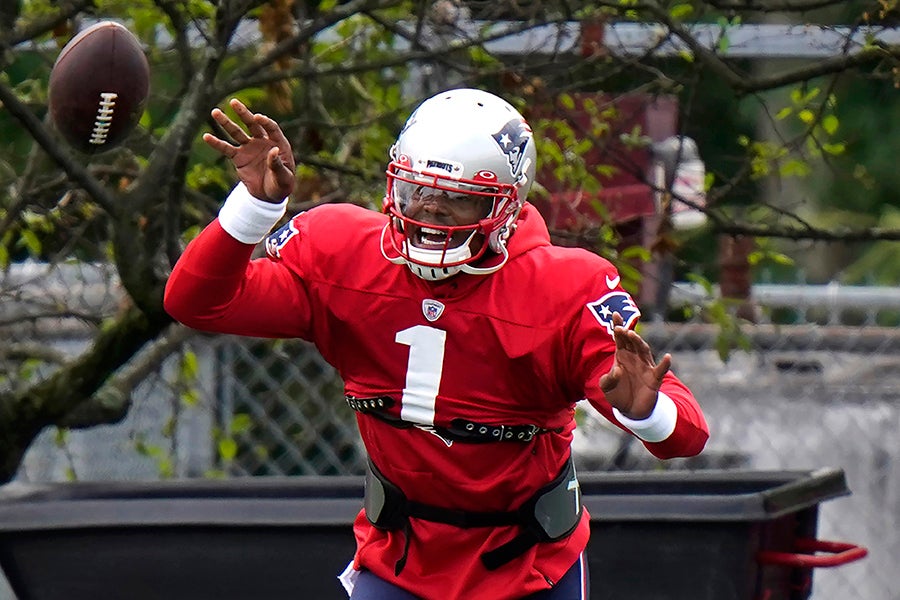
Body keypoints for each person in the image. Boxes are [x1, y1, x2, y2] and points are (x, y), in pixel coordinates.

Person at [164, 88, 709, 600]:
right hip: (398, 557)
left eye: (457, 198)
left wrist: (647, 412)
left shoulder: (563, 288)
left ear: (508, 207)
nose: (428, 211)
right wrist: (252, 208)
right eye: (416, 190)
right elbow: (196, 301)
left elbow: (686, 435)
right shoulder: (343, 254)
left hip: (528, 566)